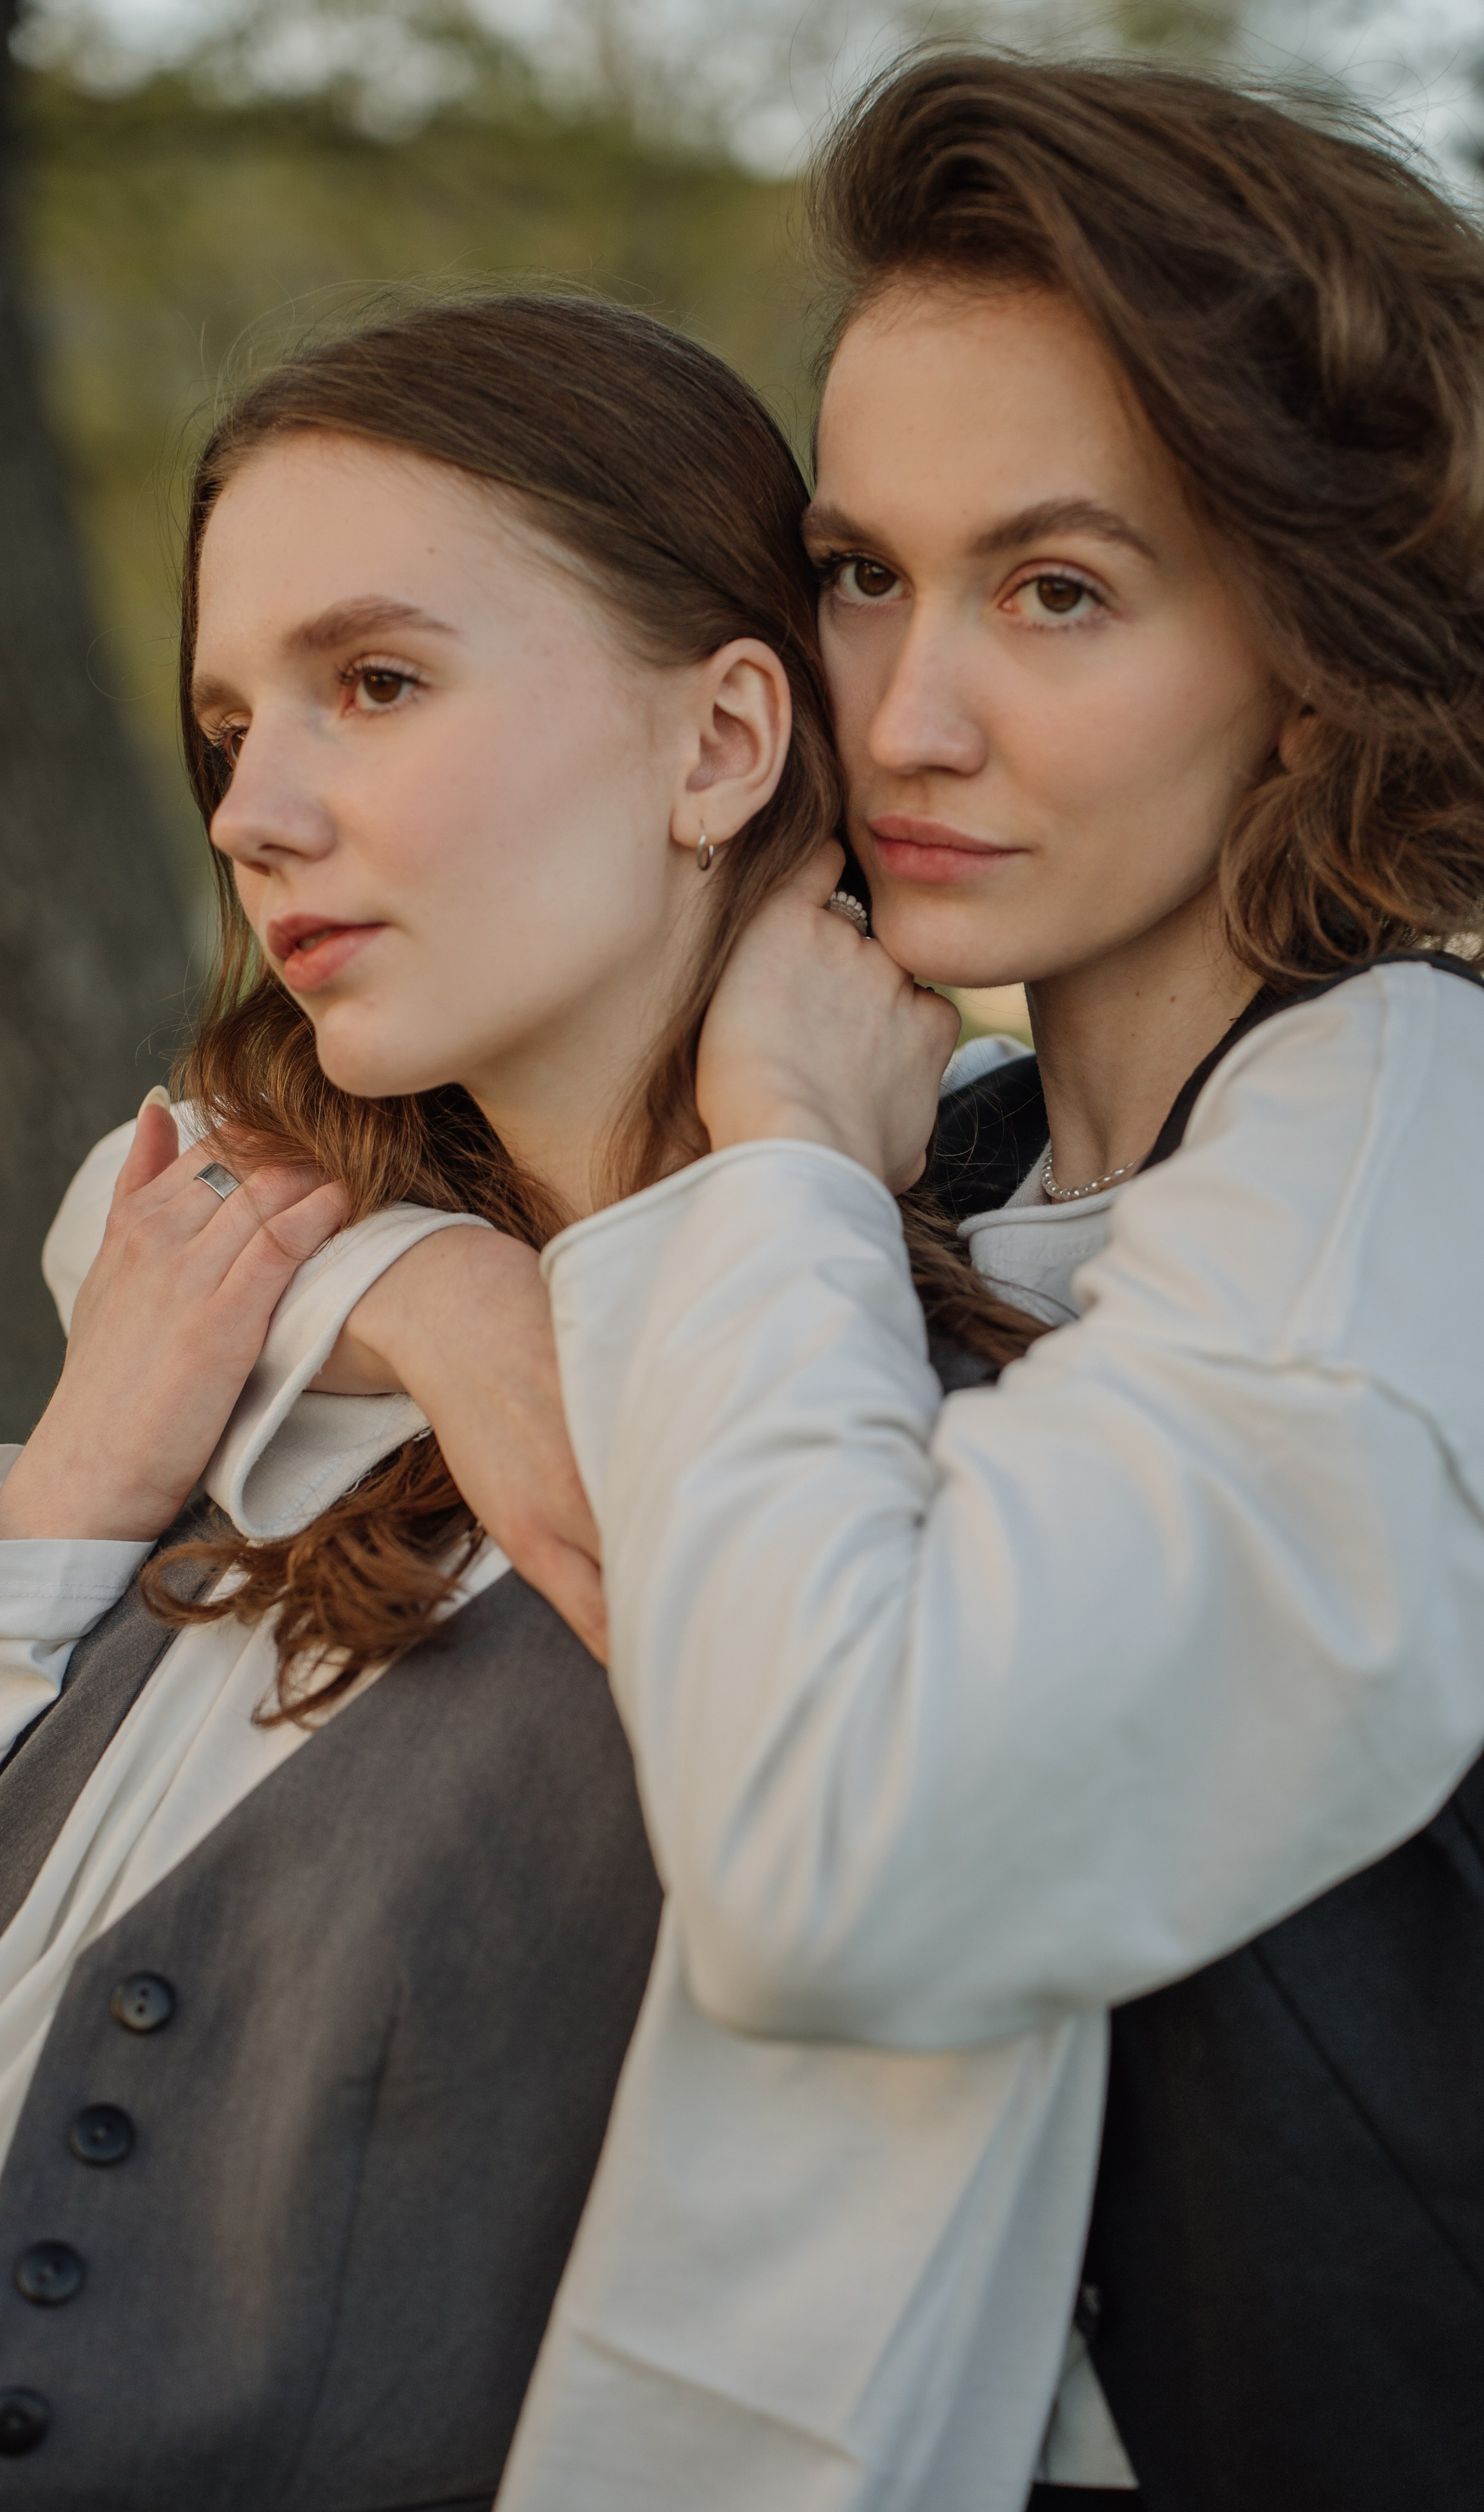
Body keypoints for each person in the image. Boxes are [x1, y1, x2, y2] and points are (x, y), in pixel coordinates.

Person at [0, 292, 1002, 2512]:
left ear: (724, 743)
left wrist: (770, 1158)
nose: (254, 815)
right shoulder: (262, 1297)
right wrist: (395, 1308)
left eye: (375, 682)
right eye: (227, 726)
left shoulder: (898, 1439)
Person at [473, 51, 1484, 2512]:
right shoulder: (999, 1152)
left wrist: (782, 1154)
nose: (907, 720)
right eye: (860, 573)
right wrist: (410, 1290)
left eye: (1059, 591)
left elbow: (839, 1866)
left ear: (1325, 653)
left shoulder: (1411, 1160)